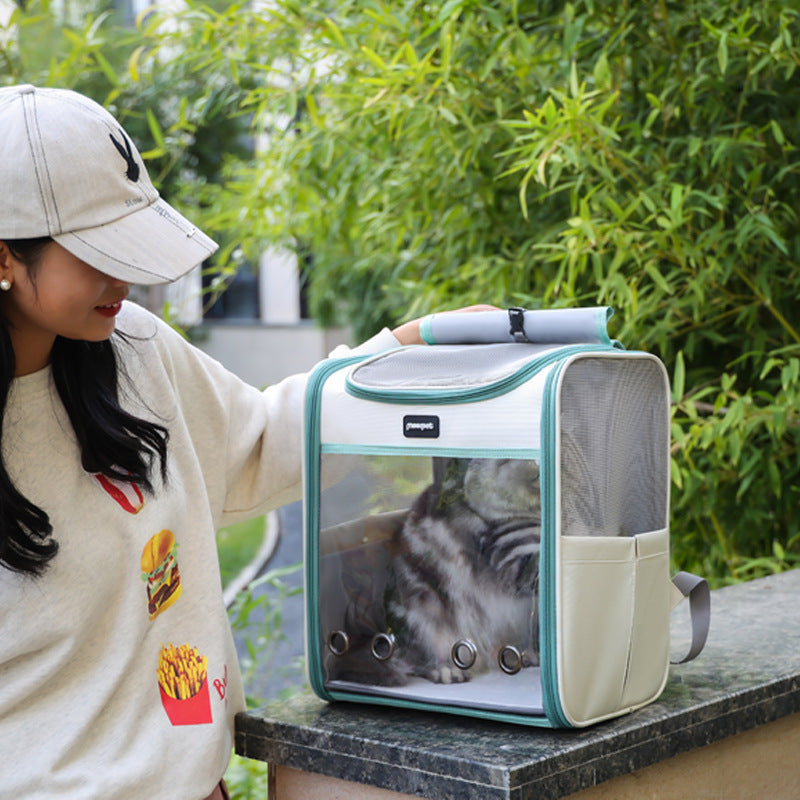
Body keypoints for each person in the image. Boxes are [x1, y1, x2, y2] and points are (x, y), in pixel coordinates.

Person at [0, 84, 480, 800]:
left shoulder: (134, 349)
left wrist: (408, 348)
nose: (126, 279)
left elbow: (262, 443)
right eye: (98, 252)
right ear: (5, 255)